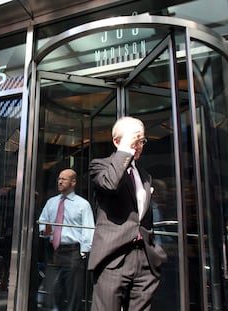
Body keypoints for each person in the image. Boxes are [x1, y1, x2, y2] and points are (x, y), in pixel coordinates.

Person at [88, 116, 167, 311]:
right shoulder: (100, 166)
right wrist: (125, 150)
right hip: (113, 258)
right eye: (135, 140)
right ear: (117, 141)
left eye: (142, 141)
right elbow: (110, 184)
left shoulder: (145, 175)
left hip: (145, 259)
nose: (139, 145)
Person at [39, 168, 94, 311]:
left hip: (73, 252)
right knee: (55, 290)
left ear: (73, 182)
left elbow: (88, 229)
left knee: (73, 292)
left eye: (64, 179)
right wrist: (45, 231)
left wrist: (84, 253)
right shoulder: (51, 202)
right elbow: (43, 222)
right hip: (55, 252)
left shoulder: (83, 204)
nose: (60, 181)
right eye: (59, 178)